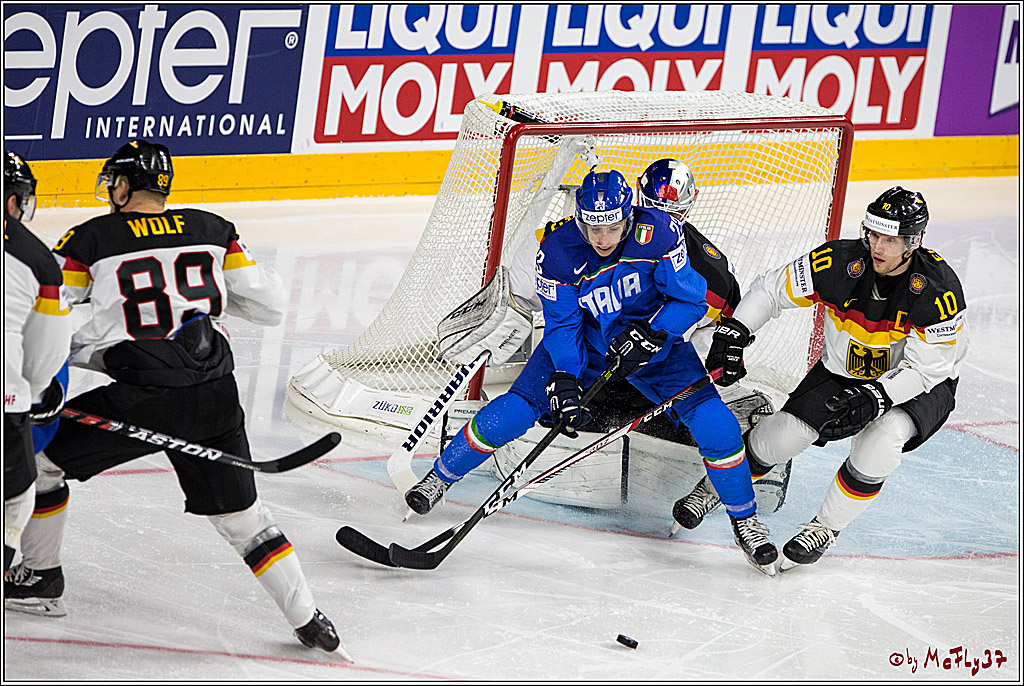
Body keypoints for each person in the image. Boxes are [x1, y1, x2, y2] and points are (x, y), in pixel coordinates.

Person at [4, 140, 347, 658]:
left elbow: (53, 318)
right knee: (246, 521)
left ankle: (41, 579)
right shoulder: (214, 230)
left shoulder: (89, 239)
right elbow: (270, 306)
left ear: (121, 185)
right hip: (215, 393)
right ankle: (309, 620)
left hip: (145, 397)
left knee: (42, 464)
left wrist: (64, 361)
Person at [407, 168, 779, 575]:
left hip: (657, 350)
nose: (602, 240)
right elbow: (563, 324)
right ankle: (438, 478)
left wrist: (655, 332)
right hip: (586, 343)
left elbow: (689, 302)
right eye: (593, 228)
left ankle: (746, 521)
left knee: (718, 426)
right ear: (581, 218)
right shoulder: (558, 250)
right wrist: (566, 376)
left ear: (630, 215)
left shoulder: (660, 234)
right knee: (515, 409)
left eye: (613, 227)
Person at [703, 186, 968, 571]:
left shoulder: (937, 289)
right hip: (845, 370)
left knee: (881, 439)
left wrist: (879, 396)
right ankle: (712, 489)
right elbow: (771, 290)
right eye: (874, 234)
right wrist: (737, 330)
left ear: (912, 242)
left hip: (921, 383)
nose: (877, 246)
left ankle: (825, 527)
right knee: (783, 436)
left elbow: (929, 369)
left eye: (890, 239)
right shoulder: (838, 262)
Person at [4, 151, 73, 575]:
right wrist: (35, 389)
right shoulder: (37, 258)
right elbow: (47, 352)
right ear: (14, 201)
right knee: (16, 497)